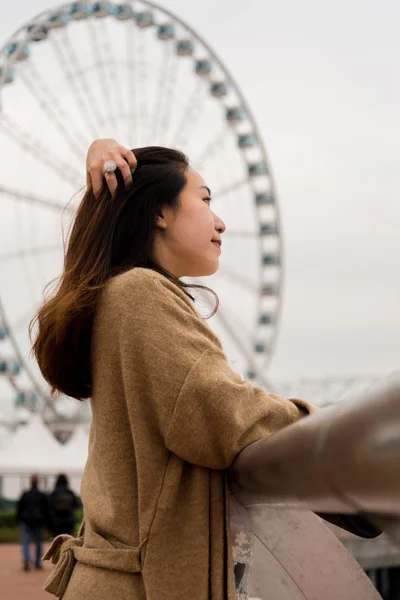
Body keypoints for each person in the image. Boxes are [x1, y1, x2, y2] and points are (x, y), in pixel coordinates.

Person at [30, 139, 316, 600]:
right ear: (159, 213)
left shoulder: (118, 296)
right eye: (204, 200)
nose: (220, 221)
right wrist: (319, 427)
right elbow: (222, 415)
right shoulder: (139, 293)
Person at [16, 474, 48, 571]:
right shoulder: (42, 495)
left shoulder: (25, 494)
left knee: (25, 541)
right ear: (38, 483)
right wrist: (46, 523)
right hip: (38, 522)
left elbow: (19, 509)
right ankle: (37, 563)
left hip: (26, 521)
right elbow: (46, 510)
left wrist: (18, 521)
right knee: (38, 542)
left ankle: (27, 560)